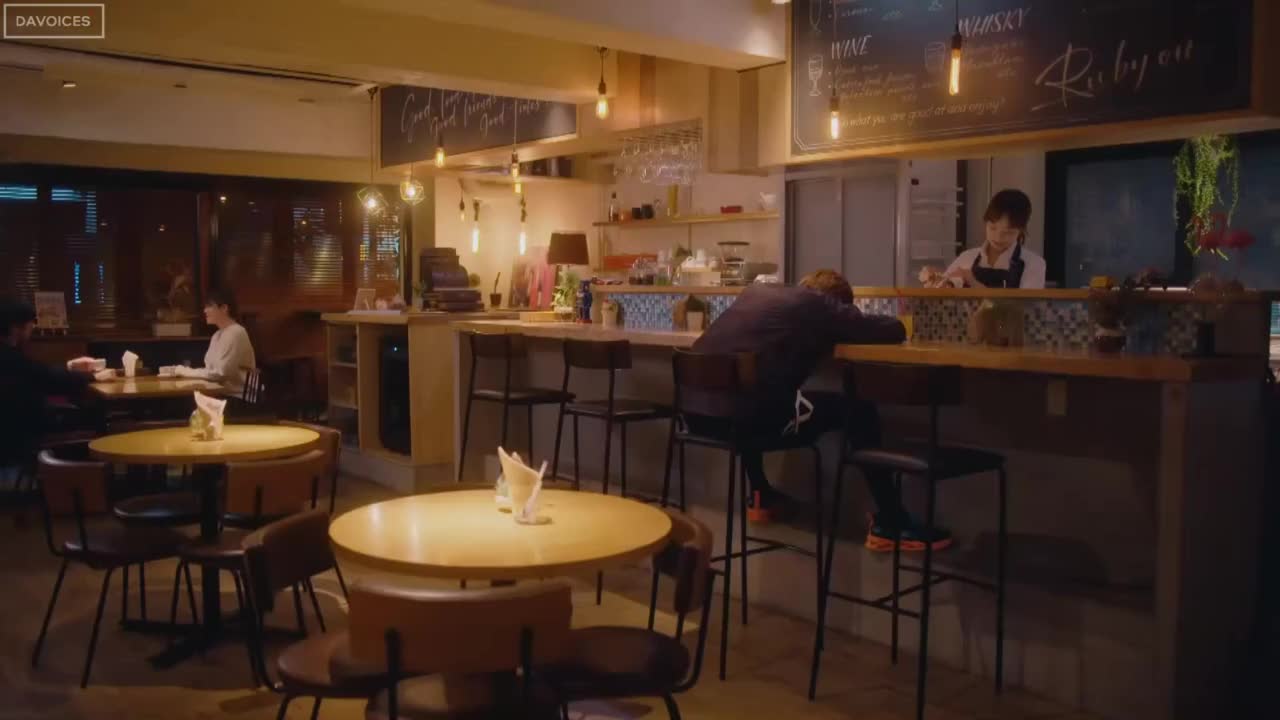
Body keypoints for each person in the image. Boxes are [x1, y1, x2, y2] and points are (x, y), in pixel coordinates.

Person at [690, 270, 950, 551]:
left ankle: (761, 494)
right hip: (744, 424)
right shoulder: (818, 304)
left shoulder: (756, 293)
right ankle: (892, 521)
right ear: (837, 304)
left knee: (754, 394)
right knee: (856, 408)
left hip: (695, 418)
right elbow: (893, 330)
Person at [0, 297, 108, 486]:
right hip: (24, 435)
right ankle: (89, 488)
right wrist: (94, 377)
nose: (33, 328)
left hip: (16, 431)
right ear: (16, 328)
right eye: (30, 324)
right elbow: (48, 378)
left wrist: (70, 367)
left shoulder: (9, 355)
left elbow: (39, 374)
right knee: (99, 424)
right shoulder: (9, 357)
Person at [922, 189, 1046, 289]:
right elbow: (942, 295)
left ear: (1021, 230)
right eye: (992, 228)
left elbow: (1022, 308)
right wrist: (936, 279)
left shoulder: (1034, 264)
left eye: (1008, 232)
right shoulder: (967, 257)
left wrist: (973, 282)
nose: (998, 237)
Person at [175, 289, 256, 395]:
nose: (205, 311)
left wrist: (185, 371)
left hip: (238, 396)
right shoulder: (216, 335)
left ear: (224, 308)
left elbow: (220, 374)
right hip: (220, 393)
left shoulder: (236, 332)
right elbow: (210, 370)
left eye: (209, 306)